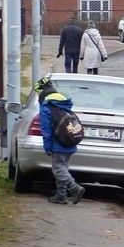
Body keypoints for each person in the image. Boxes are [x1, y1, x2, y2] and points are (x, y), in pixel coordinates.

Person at [35, 74, 85, 205]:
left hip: (58, 143)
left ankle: (75, 188)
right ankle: (61, 195)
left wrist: (47, 147)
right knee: (63, 168)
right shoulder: (64, 103)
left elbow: (46, 131)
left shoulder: (46, 107)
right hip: (70, 140)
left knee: (58, 169)